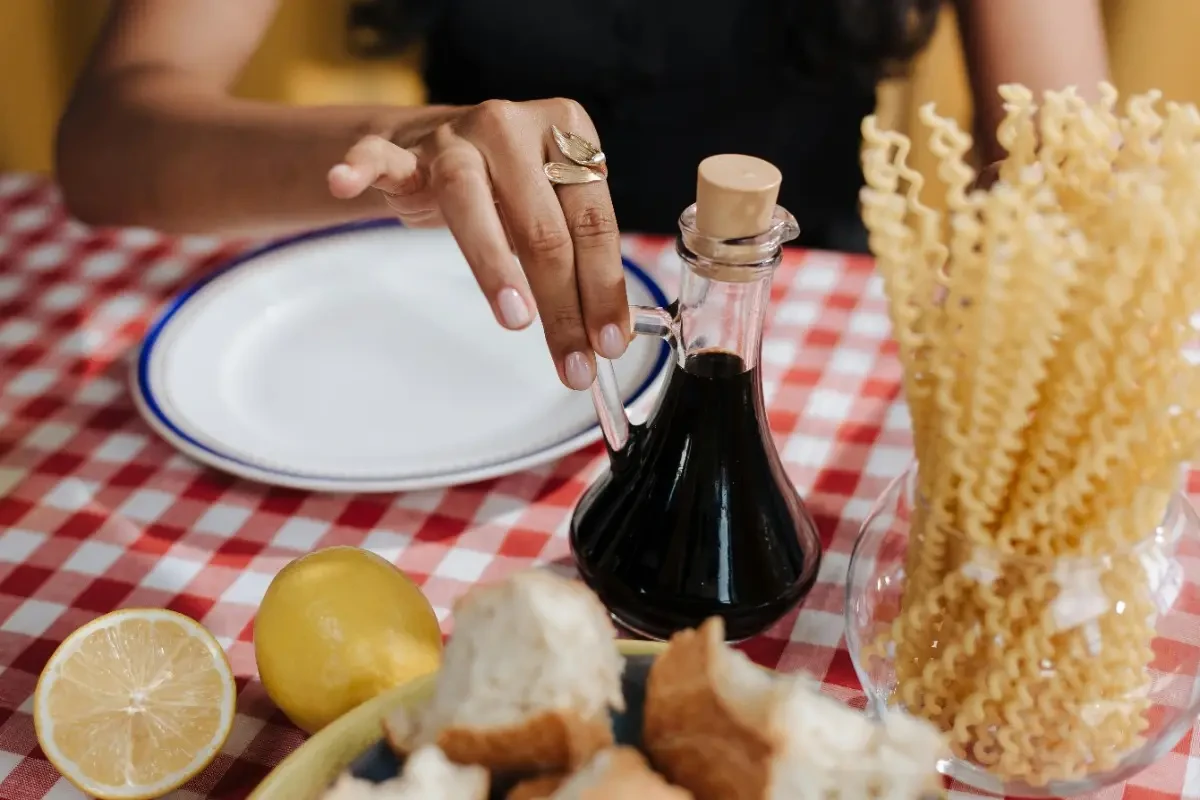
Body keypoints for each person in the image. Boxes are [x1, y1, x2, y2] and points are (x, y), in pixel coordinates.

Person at [55, 0, 1108, 391]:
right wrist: (413, 147)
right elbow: (107, 140)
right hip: (478, 323)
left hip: (800, 336)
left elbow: (1066, 169)